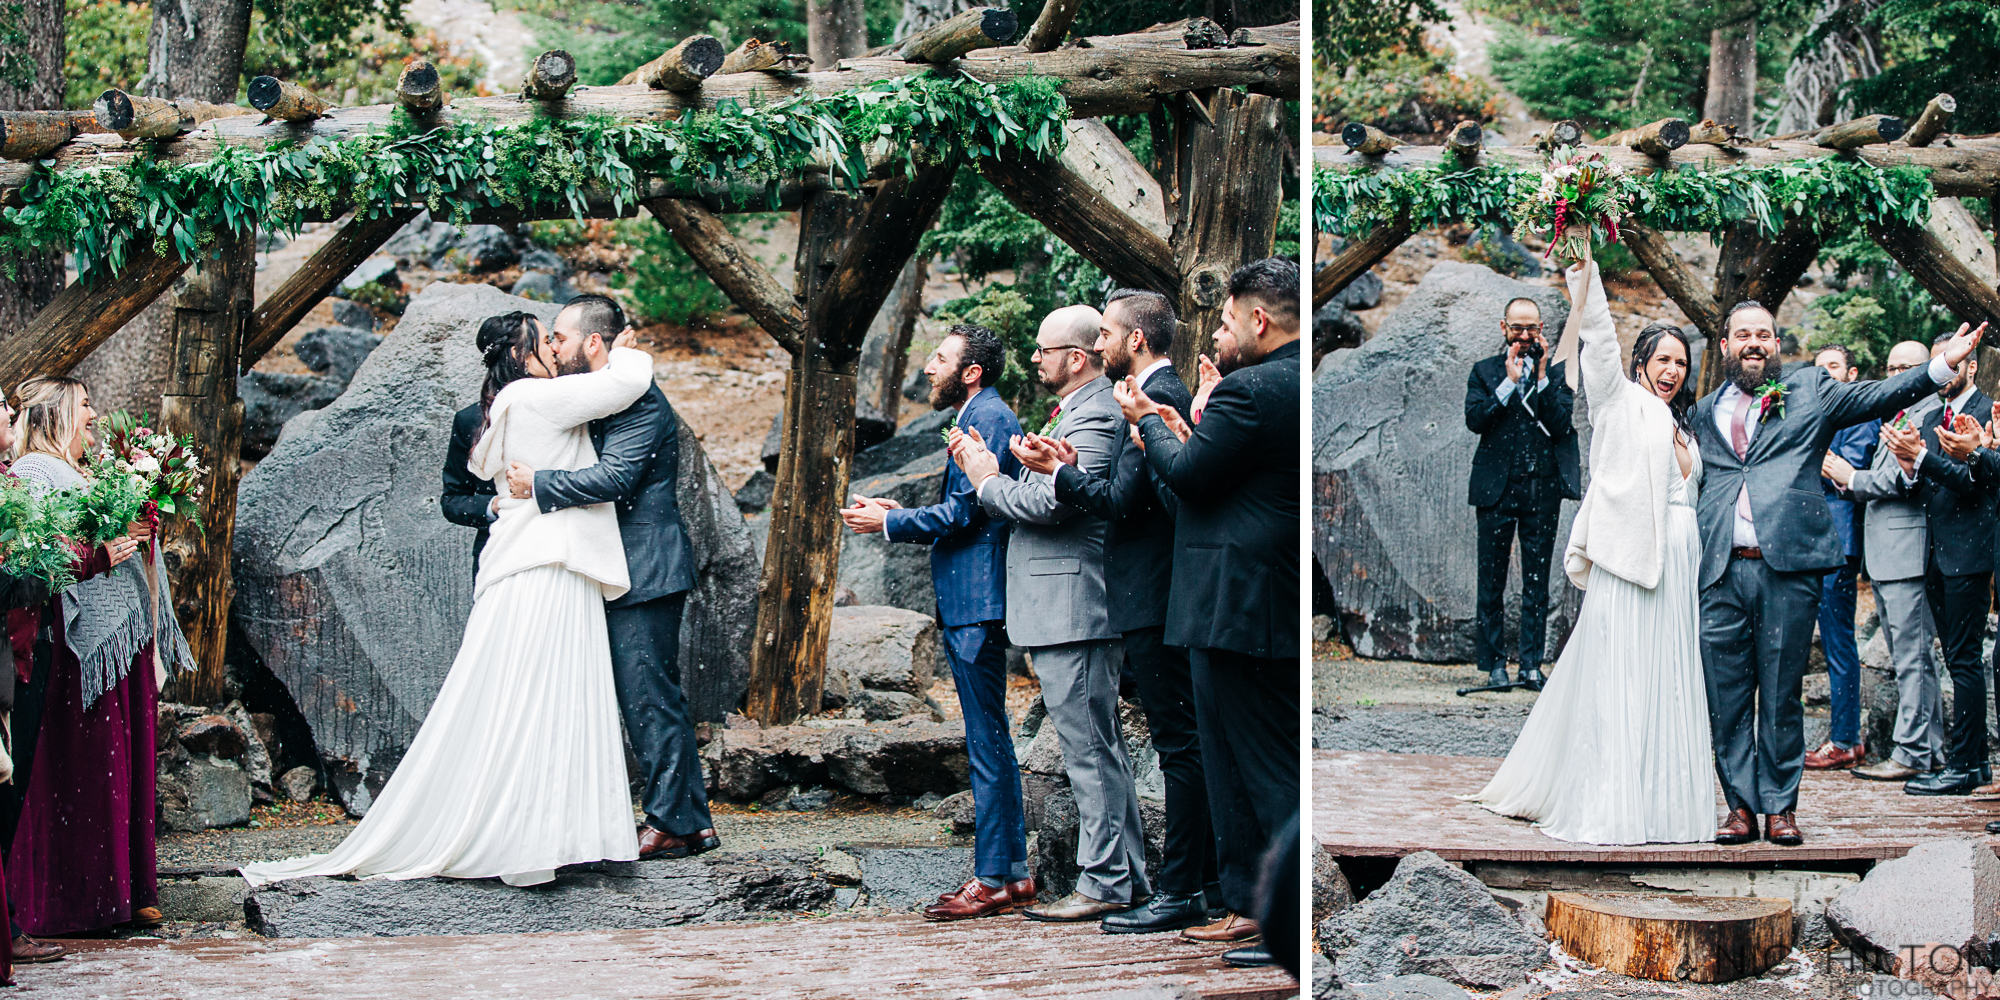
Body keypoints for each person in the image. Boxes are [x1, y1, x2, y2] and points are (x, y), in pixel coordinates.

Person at [242, 311, 655, 888]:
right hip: (543, 563)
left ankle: (545, 832)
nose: (557, 351)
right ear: (522, 356)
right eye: (548, 342)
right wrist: (629, 351)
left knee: (541, 694)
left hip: (539, 562)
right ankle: (521, 839)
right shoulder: (536, 401)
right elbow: (625, 385)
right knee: (539, 695)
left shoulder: (525, 404)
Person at [1695, 298, 1981, 846]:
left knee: (1781, 692)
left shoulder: (1809, 389)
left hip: (1788, 568)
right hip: (1721, 570)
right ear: (1727, 345)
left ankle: (1780, 807)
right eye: (1742, 334)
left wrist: (1943, 364)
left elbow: (1880, 394)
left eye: (1764, 334)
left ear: (1776, 344)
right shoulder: (1705, 408)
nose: (1754, 342)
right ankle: (1738, 807)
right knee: (1726, 695)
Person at [1465, 248, 1714, 845]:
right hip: (1629, 570)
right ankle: (1609, 801)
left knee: (1668, 685)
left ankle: (1664, 804)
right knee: (1620, 682)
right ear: (1640, 364)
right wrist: (1583, 263)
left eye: (1681, 361)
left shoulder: (1684, 425)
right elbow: (1599, 337)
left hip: (1678, 571)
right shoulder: (1620, 404)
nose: (1672, 370)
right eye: (1661, 359)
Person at [1012, 289, 1218, 934]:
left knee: (1168, 747)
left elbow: (1127, 502)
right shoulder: (1137, 399)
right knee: (1148, 745)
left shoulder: (1154, 400)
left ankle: (1182, 887)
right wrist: (1064, 468)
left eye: (1105, 334)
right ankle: (1159, 879)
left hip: (1144, 593)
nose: (1099, 347)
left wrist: (1027, 476)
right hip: (1141, 594)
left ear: (1132, 339)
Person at [1114, 258, 1299, 968]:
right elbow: (1222, 479)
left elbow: (1190, 478)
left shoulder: (1251, 391)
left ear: (1258, 320)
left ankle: (1281, 921)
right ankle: (1250, 910)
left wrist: (1149, 424)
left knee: (1262, 773)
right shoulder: (1277, 385)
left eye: (1223, 321)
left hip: (1238, 603)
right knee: (1240, 768)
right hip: (1247, 601)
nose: (1216, 334)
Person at [951, 305, 1151, 924]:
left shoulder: (1094, 412)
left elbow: (1057, 502)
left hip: (1076, 605)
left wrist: (986, 480)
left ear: (1077, 356)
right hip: (1060, 605)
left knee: (1089, 750)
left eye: (1043, 349)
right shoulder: (1077, 407)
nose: (1033, 359)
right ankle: (1123, 877)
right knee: (1094, 747)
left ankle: (1107, 882)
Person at [502, 296, 715, 860]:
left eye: (560, 338)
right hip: (620, 565)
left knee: (649, 696)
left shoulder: (638, 401)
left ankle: (671, 821)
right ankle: (691, 822)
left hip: (645, 566)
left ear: (593, 342)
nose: (553, 347)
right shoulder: (605, 393)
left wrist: (539, 485)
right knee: (644, 695)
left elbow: (618, 476)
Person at [841, 324, 1031, 921]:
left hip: (978, 600)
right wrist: (902, 512)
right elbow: (961, 507)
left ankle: (995, 876)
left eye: (940, 358)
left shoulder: (990, 417)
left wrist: (891, 525)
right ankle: (1015, 873)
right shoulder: (980, 413)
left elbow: (969, 511)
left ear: (970, 372)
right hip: (970, 599)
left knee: (986, 739)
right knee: (987, 735)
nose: (928, 366)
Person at [3, 376, 189, 942]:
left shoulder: (84, 471)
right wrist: (98, 552)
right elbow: (43, 553)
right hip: (64, 645)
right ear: (55, 413)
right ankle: (68, 900)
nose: (93, 415)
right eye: (84, 405)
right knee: (65, 772)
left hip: (108, 643)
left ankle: (121, 892)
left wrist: (137, 524)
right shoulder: (35, 473)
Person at [1822, 340, 1947, 782]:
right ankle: (1930, 750)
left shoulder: (1929, 413)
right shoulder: (1896, 414)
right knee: (1910, 656)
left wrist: (1849, 477)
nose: (1896, 375)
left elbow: (1904, 481)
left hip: (1908, 554)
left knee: (1912, 658)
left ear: (1926, 370)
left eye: (1906, 367)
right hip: (1887, 555)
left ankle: (1911, 751)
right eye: (1891, 367)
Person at [1878, 330, 1996, 796]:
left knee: (1965, 661)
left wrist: (1921, 457)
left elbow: (1973, 481)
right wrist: (1909, 466)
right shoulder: (1928, 417)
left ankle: (1966, 764)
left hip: (1970, 553)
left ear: (1971, 365)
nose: (1946, 368)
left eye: (1954, 360)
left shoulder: (1989, 414)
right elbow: (1923, 485)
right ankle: (1975, 764)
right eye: (1940, 361)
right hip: (1933, 552)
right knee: (1954, 657)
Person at [1464, 294, 1580, 690]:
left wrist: (1542, 377)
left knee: (1537, 580)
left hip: (1541, 490)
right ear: (1504, 328)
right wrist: (1508, 384)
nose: (1526, 335)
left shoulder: (1559, 375)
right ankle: (1494, 665)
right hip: (1496, 490)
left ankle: (1531, 664)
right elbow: (1475, 420)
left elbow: (1562, 426)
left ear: (1542, 330)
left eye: (1532, 328)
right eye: (1518, 328)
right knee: (1491, 580)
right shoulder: (1484, 371)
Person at [1804, 344, 1876, 771]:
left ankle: (1846, 739)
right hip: (1802, 542)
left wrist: (1820, 463)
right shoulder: (1810, 416)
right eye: (1819, 370)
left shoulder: (1860, 415)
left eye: (1833, 367)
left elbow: (1849, 469)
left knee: (1837, 641)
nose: (1825, 376)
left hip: (1838, 543)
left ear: (1850, 374)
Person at [440, 319, 512, 573]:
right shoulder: (471, 420)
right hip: (495, 550)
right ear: (518, 354)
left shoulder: (563, 405)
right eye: (545, 341)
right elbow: (452, 499)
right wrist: (494, 505)